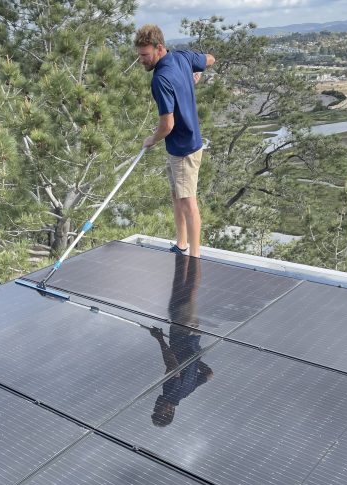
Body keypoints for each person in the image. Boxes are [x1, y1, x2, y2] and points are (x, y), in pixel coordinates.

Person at [134, 24, 215, 258]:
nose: (141, 60)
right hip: (184, 145)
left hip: (183, 148)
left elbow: (167, 125)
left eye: (145, 55)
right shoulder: (182, 57)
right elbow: (210, 59)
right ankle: (181, 245)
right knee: (177, 196)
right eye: (139, 55)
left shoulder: (160, 79)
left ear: (159, 48)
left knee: (188, 201)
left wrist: (152, 139)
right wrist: (190, 79)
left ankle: (194, 256)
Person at [150, 254, 213, 427]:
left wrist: (195, 359)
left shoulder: (184, 393)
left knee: (183, 289)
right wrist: (159, 339)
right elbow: (173, 367)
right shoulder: (170, 393)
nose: (154, 407)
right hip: (183, 333)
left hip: (192, 334)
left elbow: (209, 374)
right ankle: (192, 249)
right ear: (168, 411)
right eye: (157, 411)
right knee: (186, 289)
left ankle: (185, 249)